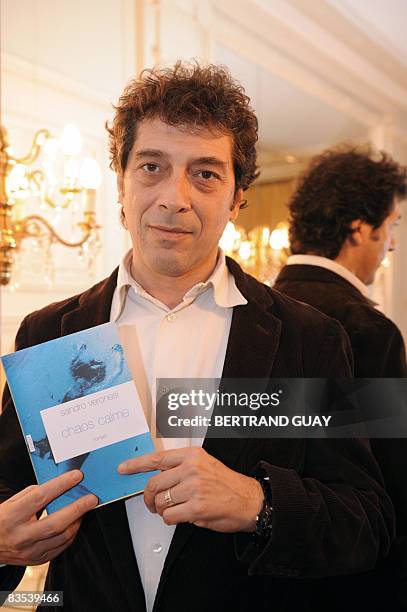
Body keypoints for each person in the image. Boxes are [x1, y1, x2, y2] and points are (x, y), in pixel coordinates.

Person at [0, 64, 394, 612]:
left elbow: (367, 521)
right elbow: (10, 492)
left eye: (205, 174)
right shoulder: (47, 331)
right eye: (152, 166)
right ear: (121, 181)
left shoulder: (312, 339)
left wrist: (260, 503)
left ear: (237, 198)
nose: (174, 197)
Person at [274, 145, 407, 610]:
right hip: (350, 581)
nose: (391, 243)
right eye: (390, 225)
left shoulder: (254, 312)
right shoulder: (368, 330)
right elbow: (390, 487)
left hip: (263, 573)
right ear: (359, 227)